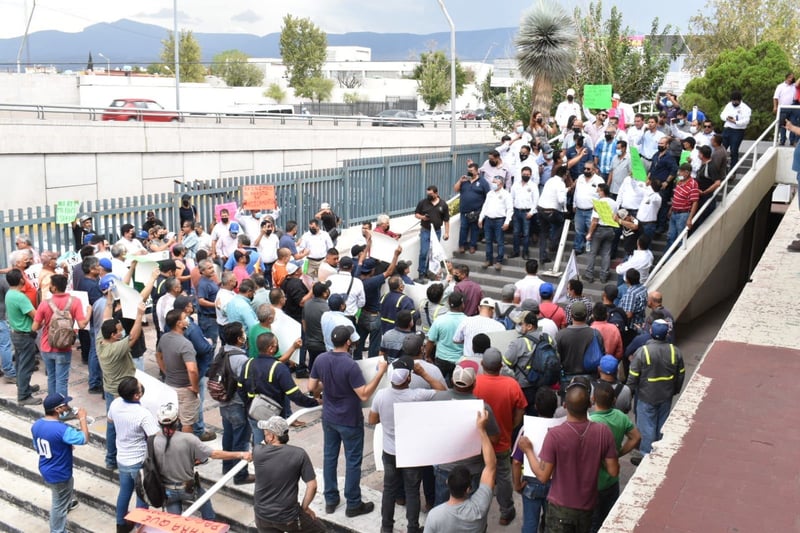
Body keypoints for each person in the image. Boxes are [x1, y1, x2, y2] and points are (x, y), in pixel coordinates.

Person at [518, 379, 619, 533]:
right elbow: (613, 471)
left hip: (560, 508)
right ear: (590, 405)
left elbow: (543, 476)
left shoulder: (555, 435)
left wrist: (529, 451)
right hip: (588, 505)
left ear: (564, 406)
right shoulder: (603, 432)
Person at [307, 325, 388, 517]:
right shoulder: (350, 365)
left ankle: (330, 499)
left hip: (329, 417)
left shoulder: (321, 359)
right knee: (353, 461)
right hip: (349, 419)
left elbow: (312, 387)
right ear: (348, 342)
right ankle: (353, 503)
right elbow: (364, 394)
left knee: (330, 457)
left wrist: (325, 388)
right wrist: (380, 373)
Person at [369, 356, 446, 533]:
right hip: (411, 454)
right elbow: (442, 391)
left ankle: (386, 527)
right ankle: (413, 527)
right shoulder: (417, 395)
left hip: (389, 452)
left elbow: (372, 419)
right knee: (412, 491)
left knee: (389, 490)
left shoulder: (381, 395)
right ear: (409, 378)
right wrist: (424, 373)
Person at [153, 402, 252, 519]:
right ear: (178, 420)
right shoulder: (188, 439)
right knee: (208, 516)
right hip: (188, 488)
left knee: (174, 522)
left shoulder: (152, 440)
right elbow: (214, 454)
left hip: (167, 490)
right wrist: (241, 454)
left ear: (159, 423)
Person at [473, 347, 526, 526]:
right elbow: (521, 408)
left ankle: (475, 513)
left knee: (478, 476)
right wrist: (512, 426)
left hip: (478, 444)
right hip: (502, 442)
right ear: (501, 365)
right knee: (503, 477)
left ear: (482, 364)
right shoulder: (511, 384)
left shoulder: (475, 383)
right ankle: (506, 512)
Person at [424, 409, 496, 533]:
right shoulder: (479, 506)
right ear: (469, 488)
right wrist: (482, 431)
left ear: (447, 482)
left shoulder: (435, 516)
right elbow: (491, 466)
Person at [239, 331, 319, 440]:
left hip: (253, 413)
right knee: (276, 444)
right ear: (271, 348)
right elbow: (295, 395)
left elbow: (240, 389)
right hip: (274, 417)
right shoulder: (279, 368)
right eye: (276, 345)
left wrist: (249, 405)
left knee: (259, 443)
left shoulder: (248, 364)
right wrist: (315, 402)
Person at [252, 416, 326, 533]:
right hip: (288, 517)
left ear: (271, 437)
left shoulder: (257, 451)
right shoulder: (299, 454)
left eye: (265, 434)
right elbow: (312, 486)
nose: (264, 436)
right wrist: (305, 508)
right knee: (320, 529)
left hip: (261, 516)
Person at [627, 319, 685, 464]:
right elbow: (681, 374)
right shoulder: (675, 351)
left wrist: (629, 392)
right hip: (666, 395)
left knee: (647, 426)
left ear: (651, 332)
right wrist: (675, 390)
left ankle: (647, 456)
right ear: (667, 333)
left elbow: (633, 377)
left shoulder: (643, 352)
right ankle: (658, 451)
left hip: (646, 396)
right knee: (661, 424)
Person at [107, 377, 159, 533]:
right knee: (142, 497)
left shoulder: (115, 404)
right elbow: (155, 436)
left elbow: (110, 420)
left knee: (124, 491)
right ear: (136, 396)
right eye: (139, 387)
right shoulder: (142, 413)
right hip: (138, 461)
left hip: (122, 458)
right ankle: (140, 527)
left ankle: (120, 524)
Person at [31, 393, 89, 533]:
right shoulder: (62, 430)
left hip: (46, 466)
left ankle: (66, 502)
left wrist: (62, 445)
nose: (67, 407)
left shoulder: (37, 425)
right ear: (57, 409)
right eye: (64, 405)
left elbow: (37, 445)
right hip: (59, 472)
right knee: (58, 505)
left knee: (62, 492)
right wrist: (82, 418)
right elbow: (84, 438)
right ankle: (57, 530)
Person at [588, 381, 641, 533]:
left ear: (593, 399)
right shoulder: (620, 417)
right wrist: (619, 453)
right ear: (614, 400)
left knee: (594, 524)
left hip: (594, 484)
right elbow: (636, 437)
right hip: (612, 482)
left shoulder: (591, 422)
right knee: (610, 521)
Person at [31, 274, 90, 397]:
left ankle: (52, 406)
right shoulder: (75, 302)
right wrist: (89, 313)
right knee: (62, 380)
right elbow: (82, 325)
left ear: (54, 288)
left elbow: (34, 327)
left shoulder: (44, 304)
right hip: (64, 347)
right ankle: (62, 409)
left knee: (51, 378)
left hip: (47, 345)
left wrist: (46, 322)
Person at [512, 387, 558, 533]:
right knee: (552, 521)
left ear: (536, 407)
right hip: (555, 483)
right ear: (555, 407)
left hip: (531, 483)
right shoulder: (561, 428)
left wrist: (517, 484)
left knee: (530, 523)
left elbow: (517, 461)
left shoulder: (527, 430)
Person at [155, 309, 200, 434]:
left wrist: (166, 372)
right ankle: (186, 449)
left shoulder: (164, 338)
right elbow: (192, 370)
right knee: (187, 422)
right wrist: (195, 387)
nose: (188, 320)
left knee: (172, 419)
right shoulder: (186, 344)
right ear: (179, 323)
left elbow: (158, 355)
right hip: (185, 389)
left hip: (169, 385)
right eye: (185, 317)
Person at [6, 268, 41, 405]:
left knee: (21, 363)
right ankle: (24, 396)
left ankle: (23, 387)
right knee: (26, 365)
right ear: (21, 280)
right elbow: (35, 315)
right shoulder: (20, 297)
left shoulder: (10, 294)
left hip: (16, 333)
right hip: (24, 335)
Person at [414, 185, 450, 283]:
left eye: (431, 194)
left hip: (437, 231)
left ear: (436, 193)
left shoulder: (443, 204)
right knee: (424, 252)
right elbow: (416, 214)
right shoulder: (423, 202)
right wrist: (422, 217)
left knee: (434, 253)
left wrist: (447, 233)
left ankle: (431, 272)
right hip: (426, 230)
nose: (429, 196)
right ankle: (421, 272)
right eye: (428, 194)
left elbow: (446, 220)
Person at [584, 183, 617, 283]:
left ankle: (589, 274)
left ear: (603, 191)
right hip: (610, 229)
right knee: (606, 254)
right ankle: (604, 276)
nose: (597, 192)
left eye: (598, 190)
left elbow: (595, 220)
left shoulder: (599, 203)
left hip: (599, 229)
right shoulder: (614, 202)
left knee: (592, 252)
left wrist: (589, 233)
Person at [455, 162, 490, 254]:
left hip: (476, 211)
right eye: (468, 170)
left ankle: (472, 246)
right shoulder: (465, 181)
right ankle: (462, 245)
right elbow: (456, 189)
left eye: (471, 171)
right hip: (464, 210)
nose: (469, 172)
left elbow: (488, 195)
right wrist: (460, 180)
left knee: (475, 229)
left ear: (477, 171)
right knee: (463, 228)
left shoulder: (483, 182)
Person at [719, 90, 751, 170]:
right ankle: (722, 168)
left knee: (733, 151)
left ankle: (733, 169)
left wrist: (736, 122)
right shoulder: (729, 105)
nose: (734, 102)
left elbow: (746, 121)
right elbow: (722, 115)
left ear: (739, 100)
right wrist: (727, 118)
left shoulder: (745, 108)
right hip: (727, 129)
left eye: (736, 101)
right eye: (733, 100)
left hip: (737, 131)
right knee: (722, 149)